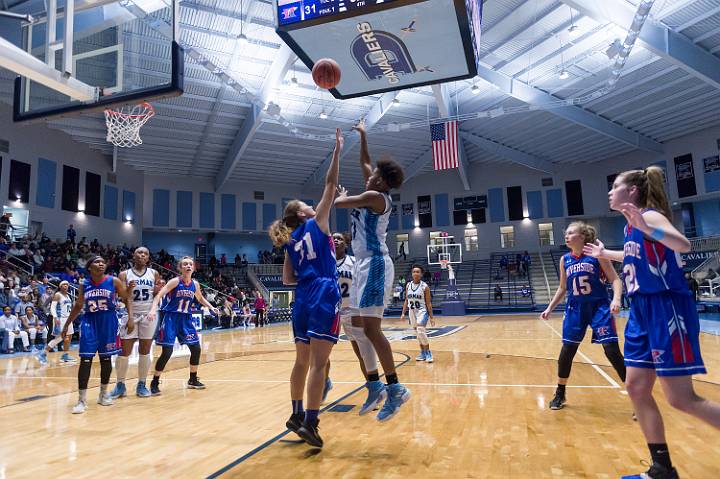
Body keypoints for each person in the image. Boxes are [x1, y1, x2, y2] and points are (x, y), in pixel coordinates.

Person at [584, 166, 720, 479]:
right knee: (636, 387)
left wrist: (648, 226)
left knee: (681, 400)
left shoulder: (651, 216)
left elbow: (682, 245)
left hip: (666, 308)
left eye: (615, 185)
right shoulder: (632, 225)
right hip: (641, 311)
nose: (609, 191)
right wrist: (609, 253)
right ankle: (661, 469)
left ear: (632, 191)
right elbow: (638, 256)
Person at [268, 127, 343, 448]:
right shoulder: (317, 223)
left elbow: (287, 280)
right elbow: (328, 185)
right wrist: (337, 150)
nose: (315, 206)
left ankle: (297, 414)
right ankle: (311, 423)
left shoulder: (290, 240)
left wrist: (308, 274)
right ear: (302, 213)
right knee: (319, 364)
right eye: (308, 206)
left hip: (302, 299)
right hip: (324, 293)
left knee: (302, 361)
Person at [334, 118, 410, 422]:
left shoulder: (375, 196)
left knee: (372, 329)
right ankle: (377, 383)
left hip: (375, 263)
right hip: (365, 264)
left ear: (382, 182)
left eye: (375, 175)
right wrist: (363, 135)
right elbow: (365, 161)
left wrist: (339, 193)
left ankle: (395, 389)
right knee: (361, 328)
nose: (370, 175)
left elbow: (341, 203)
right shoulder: (374, 187)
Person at [540, 222, 626, 411]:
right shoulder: (565, 259)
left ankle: (637, 395)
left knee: (611, 351)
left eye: (571, 233)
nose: (567, 236)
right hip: (575, 309)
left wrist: (617, 299)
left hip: (599, 307)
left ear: (582, 237)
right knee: (567, 351)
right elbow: (563, 287)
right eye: (566, 233)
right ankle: (560, 392)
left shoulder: (596, 254)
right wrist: (549, 308)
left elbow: (615, 279)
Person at [64, 255, 133, 414]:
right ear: (89, 267)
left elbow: (126, 297)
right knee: (86, 359)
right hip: (89, 321)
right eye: (97, 262)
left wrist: (129, 293)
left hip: (108, 321)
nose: (101, 264)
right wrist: (67, 324)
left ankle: (103, 394)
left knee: (106, 358)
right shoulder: (84, 283)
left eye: (103, 262)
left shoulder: (113, 281)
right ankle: (81, 400)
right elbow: (79, 304)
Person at [147, 256, 219, 395]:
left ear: (193, 267)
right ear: (180, 267)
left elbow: (200, 298)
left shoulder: (195, 284)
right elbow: (158, 296)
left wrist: (211, 307)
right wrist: (152, 309)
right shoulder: (175, 282)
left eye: (190, 264)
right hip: (170, 318)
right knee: (167, 352)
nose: (188, 266)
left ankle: (192, 379)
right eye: (185, 264)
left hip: (186, 319)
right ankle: (155, 381)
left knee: (196, 349)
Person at [329, 231, 379, 411]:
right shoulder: (325, 262)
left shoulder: (354, 262)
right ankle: (325, 383)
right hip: (330, 311)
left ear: (346, 244)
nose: (335, 239)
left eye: (339, 238)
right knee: (321, 354)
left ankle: (374, 389)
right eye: (333, 237)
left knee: (362, 353)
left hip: (352, 310)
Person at [111, 247, 161, 399]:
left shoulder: (154, 273)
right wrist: (131, 318)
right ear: (133, 256)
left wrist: (153, 308)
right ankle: (120, 385)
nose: (142, 255)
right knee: (124, 352)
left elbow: (157, 294)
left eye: (145, 253)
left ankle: (142, 384)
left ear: (148, 258)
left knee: (145, 351)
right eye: (139, 252)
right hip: (129, 314)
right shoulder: (124, 274)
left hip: (148, 315)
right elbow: (125, 297)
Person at [401, 265, 435, 362]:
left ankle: (428, 352)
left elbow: (428, 303)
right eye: (414, 272)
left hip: (422, 311)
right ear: (412, 274)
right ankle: (422, 353)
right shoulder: (408, 285)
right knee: (417, 333)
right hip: (412, 312)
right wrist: (403, 313)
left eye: (417, 272)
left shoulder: (425, 287)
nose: (415, 273)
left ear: (421, 274)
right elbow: (406, 300)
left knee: (420, 330)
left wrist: (431, 317)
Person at [36, 281, 75, 364]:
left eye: (67, 285)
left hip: (68, 318)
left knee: (69, 337)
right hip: (60, 319)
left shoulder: (68, 296)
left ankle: (65, 355)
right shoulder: (57, 295)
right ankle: (42, 354)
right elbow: (52, 308)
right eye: (64, 284)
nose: (66, 286)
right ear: (60, 286)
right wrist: (55, 317)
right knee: (59, 338)